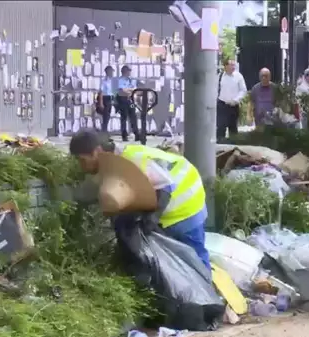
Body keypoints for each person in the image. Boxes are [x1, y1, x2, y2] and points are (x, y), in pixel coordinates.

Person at [69, 129, 211, 270]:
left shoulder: (131, 159)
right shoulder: (111, 165)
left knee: (196, 261)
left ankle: (206, 288)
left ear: (96, 152)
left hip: (187, 203)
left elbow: (166, 186)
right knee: (174, 264)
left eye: (82, 160)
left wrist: (152, 219)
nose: (82, 166)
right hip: (168, 208)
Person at [217, 59, 247, 141]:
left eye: (234, 65)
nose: (233, 67)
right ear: (225, 66)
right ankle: (220, 145)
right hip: (222, 105)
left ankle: (233, 145)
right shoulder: (220, 76)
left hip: (233, 106)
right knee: (220, 127)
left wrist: (236, 100)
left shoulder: (238, 76)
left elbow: (243, 90)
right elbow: (215, 89)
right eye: (231, 65)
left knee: (233, 128)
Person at [116, 65, 140, 142]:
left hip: (131, 100)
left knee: (133, 116)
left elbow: (134, 89)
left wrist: (129, 90)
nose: (129, 72)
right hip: (122, 100)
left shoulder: (131, 80)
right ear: (124, 71)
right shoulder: (119, 80)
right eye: (128, 71)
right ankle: (124, 135)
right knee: (124, 117)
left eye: (130, 71)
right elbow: (122, 90)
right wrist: (129, 90)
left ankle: (136, 133)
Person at [97, 65, 115, 132]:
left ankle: (104, 130)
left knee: (108, 116)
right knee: (106, 117)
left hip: (110, 99)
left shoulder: (112, 80)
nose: (112, 73)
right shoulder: (104, 81)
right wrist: (101, 103)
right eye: (111, 71)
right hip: (105, 99)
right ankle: (104, 131)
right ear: (107, 72)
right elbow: (101, 92)